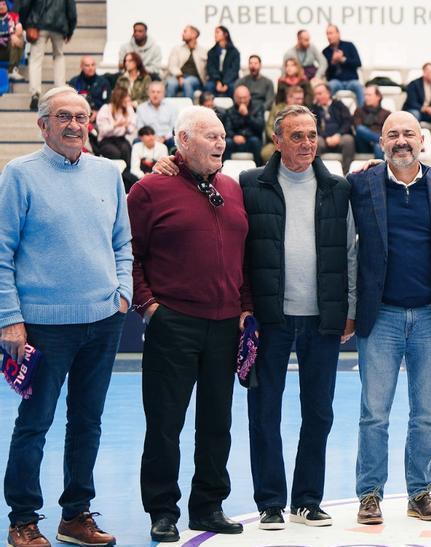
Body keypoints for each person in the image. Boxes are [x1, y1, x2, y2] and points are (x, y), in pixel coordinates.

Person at [0, 87, 130, 547]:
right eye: (63, 117)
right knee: (34, 423)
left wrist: (123, 295)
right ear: (43, 125)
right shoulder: (19, 175)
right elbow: (2, 253)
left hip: (103, 320)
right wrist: (10, 318)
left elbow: (122, 243)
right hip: (42, 327)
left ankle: (75, 515)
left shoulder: (107, 172)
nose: (74, 125)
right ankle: (23, 519)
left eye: (81, 116)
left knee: (87, 421)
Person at [130, 106, 253, 542]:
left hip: (225, 325)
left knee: (217, 422)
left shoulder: (233, 189)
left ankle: (208, 506)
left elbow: (245, 256)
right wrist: (148, 306)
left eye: (223, 136)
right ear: (182, 141)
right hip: (174, 323)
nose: (221, 143)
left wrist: (245, 306)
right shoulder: (149, 190)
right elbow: (129, 253)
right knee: (165, 422)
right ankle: (162, 510)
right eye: (210, 136)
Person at [241, 104, 356, 530]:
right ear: (278, 140)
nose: (307, 143)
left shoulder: (337, 187)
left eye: (311, 135)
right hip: (271, 317)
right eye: (297, 136)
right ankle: (270, 501)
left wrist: (349, 308)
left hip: (322, 317)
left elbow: (348, 251)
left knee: (319, 412)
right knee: (264, 410)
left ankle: (307, 499)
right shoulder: (250, 184)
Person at [348, 111, 431, 525]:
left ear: (423, 140)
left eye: (409, 133)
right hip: (382, 317)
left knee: (425, 413)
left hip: (430, 314)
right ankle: (370, 494)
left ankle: (420, 492)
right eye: (392, 134)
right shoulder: (360, 183)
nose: (401, 141)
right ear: (381, 142)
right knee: (374, 412)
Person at [20, 0, 76, 110]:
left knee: (36, 58)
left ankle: (35, 93)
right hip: (59, 28)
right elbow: (72, 14)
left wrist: (26, 25)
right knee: (59, 56)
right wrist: (69, 31)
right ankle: (60, 90)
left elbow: (25, 6)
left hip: (38, 27)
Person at [312, 82, 356, 174]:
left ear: (328, 93)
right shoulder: (314, 109)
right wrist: (325, 137)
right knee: (315, 142)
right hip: (323, 139)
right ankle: (317, 173)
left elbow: (347, 122)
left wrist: (338, 135)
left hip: (340, 137)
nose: (318, 96)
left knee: (348, 140)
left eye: (320, 93)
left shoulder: (339, 105)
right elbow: (314, 126)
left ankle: (346, 174)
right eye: (316, 94)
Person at [95, 85, 137, 169]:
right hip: (106, 140)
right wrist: (115, 125)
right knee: (115, 153)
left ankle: (127, 178)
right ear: (119, 98)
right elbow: (102, 131)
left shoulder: (128, 108)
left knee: (126, 150)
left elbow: (131, 129)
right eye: (126, 97)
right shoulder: (106, 109)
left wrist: (126, 126)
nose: (128, 99)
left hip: (120, 139)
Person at [263, 85, 309, 161]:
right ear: (289, 98)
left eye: (301, 99)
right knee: (266, 152)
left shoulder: (305, 112)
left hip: (300, 142)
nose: (300, 102)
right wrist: (279, 140)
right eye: (297, 99)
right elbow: (269, 127)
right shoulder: (277, 109)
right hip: (278, 141)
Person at [223, 85, 265, 166]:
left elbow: (260, 127)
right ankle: (224, 169)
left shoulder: (258, 107)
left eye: (244, 98)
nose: (242, 101)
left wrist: (247, 115)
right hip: (235, 140)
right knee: (227, 142)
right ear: (235, 98)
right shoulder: (230, 111)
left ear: (249, 97)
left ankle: (259, 170)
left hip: (251, 139)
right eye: (239, 98)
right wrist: (234, 136)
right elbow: (227, 129)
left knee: (255, 141)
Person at [322, 25, 364, 105]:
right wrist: (333, 62)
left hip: (351, 80)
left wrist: (343, 59)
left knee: (358, 86)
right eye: (327, 34)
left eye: (331, 33)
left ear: (338, 34)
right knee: (329, 87)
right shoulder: (325, 52)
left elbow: (358, 63)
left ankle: (361, 113)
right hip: (336, 81)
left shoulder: (349, 46)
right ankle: (330, 112)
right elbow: (326, 73)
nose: (329, 36)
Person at [405, 62, 431, 139]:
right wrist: (427, 109)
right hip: (417, 110)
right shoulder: (414, 84)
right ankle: (414, 139)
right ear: (425, 73)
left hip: (429, 113)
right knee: (415, 114)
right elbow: (412, 102)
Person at [165, 24, 206, 99]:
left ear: (194, 34)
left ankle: (189, 109)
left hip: (194, 79)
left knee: (187, 82)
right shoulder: (177, 49)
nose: (182, 34)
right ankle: (168, 109)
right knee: (171, 83)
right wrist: (180, 76)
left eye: (185, 32)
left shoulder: (203, 51)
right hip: (178, 77)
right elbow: (172, 66)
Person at [353, 85, 391, 159]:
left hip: (378, 145)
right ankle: (381, 141)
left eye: (369, 95)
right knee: (360, 129)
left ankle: (380, 170)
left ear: (378, 97)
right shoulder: (359, 111)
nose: (366, 97)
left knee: (378, 146)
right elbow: (357, 128)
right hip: (363, 144)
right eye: (365, 95)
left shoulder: (386, 113)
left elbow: (387, 131)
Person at [136, 81, 177, 147]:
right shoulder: (141, 108)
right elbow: (140, 129)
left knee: (174, 141)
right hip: (148, 138)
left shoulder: (171, 107)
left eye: (158, 92)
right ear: (148, 93)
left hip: (167, 139)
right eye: (153, 92)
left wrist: (164, 137)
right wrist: (152, 138)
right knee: (136, 141)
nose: (155, 95)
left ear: (163, 94)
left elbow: (174, 128)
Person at [204, 25, 239, 98]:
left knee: (233, 87)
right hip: (215, 80)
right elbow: (211, 68)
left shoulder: (234, 52)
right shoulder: (211, 52)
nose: (215, 35)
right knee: (209, 86)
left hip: (230, 80)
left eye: (217, 32)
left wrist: (225, 83)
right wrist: (218, 81)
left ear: (225, 34)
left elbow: (234, 70)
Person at [0, 0, 24, 81]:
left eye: (3, 4)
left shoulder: (13, 16)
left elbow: (19, 29)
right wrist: (11, 35)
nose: (1, 7)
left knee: (19, 36)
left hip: (8, 49)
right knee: (13, 37)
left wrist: (14, 35)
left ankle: (12, 70)